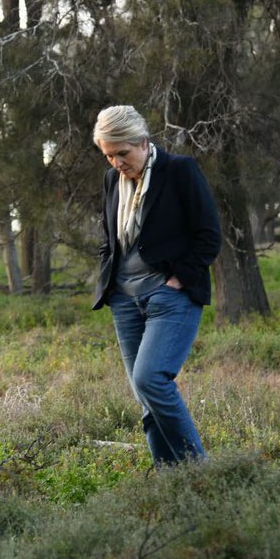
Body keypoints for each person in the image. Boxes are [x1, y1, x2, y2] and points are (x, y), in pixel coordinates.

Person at [92, 105, 221, 465]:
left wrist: (178, 279)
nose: (117, 162)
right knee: (144, 395)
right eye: (109, 155)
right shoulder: (111, 181)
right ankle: (170, 479)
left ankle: (199, 471)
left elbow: (209, 235)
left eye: (123, 153)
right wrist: (110, 283)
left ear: (144, 143)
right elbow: (109, 240)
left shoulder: (179, 171)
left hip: (169, 297)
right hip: (124, 300)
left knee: (151, 379)